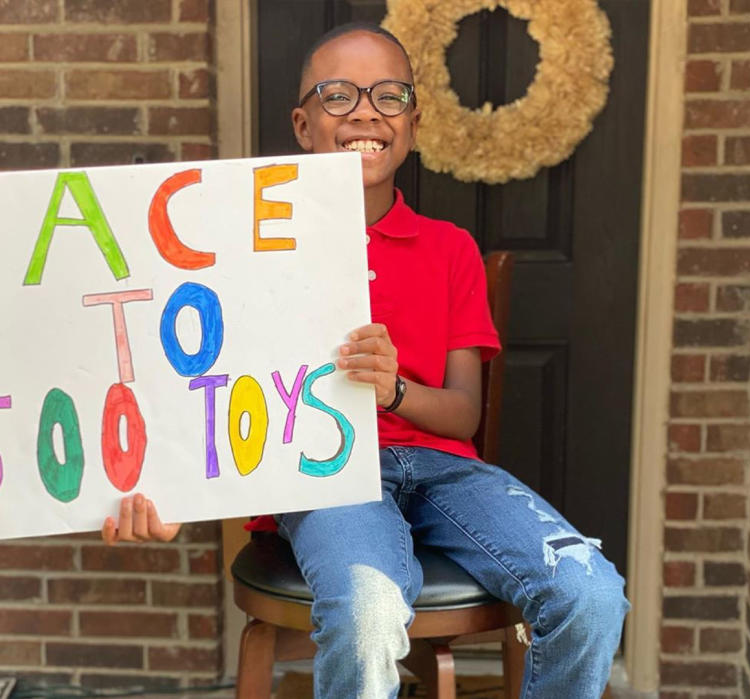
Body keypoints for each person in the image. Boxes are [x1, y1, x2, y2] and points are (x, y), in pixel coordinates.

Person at [102, 22, 629, 698]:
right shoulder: (241, 250)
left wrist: (395, 390)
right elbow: (205, 389)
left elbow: (463, 411)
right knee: (368, 610)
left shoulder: (449, 248)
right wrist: (178, 492)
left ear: (413, 120)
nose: (365, 111)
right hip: (323, 476)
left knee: (590, 592)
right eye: (338, 94)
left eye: (388, 94)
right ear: (302, 122)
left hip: (443, 470)